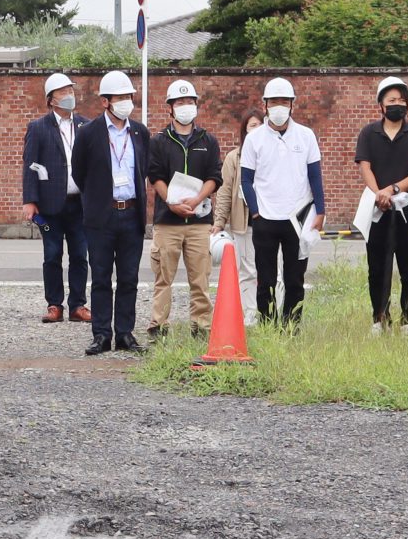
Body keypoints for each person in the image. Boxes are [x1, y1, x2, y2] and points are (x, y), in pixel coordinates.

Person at [70, 69, 149, 354]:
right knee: (101, 277)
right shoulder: (89, 133)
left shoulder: (140, 132)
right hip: (101, 216)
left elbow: (144, 169)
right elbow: (79, 172)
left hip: (131, 213)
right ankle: (102, 333)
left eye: (129, 96)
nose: (126, 102)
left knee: (129, 277)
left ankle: (125, 333)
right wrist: (97, 198)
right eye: (120, 97)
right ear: (105, 101)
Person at [353, 76, 408, 337]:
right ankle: (379, 318)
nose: (397, 104)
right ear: (381, 105)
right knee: (377, 269)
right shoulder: (369, 133)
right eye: (391, 100)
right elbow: (365, 167)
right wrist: (379, 193)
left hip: (407, 212)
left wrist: (393, 189)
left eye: (401, 100)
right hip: (377, 210)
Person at [239, 77, 323, 327]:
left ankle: (291, 326)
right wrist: (255, 213)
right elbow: (246, 180)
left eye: (284, 102)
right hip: (265, 218)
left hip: (298, 218)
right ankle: (267, 325)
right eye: (274, 102)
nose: (279, 107)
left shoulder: (306, 136)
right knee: (265, 279)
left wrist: (321, 210)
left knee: (295, 278)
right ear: (265, 105)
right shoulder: (254, 139)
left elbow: (315, 175)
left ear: (292, 105)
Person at [147, 79, 220, 337]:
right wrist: (172, 202)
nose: (185, 107)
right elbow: (155, 176)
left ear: (197, 106)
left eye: (189, 102)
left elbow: (215, 176)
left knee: (200, 278)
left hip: (200, 222)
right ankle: (159, 325)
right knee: (163, 276)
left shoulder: (208, 140)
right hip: (168, 221)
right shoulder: (158, 141)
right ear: (170, 108)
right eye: (180, 103)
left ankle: (201, 326)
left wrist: (198, 198)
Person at [20, 71, 88, 324]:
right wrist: (30, 200)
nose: (69, 96)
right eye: (63, 93)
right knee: (52, 254)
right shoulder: (38, 128)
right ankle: (54, 304)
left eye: (71, 91)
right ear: (51, 99)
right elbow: (30, 164)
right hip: (49, 206)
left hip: (80, 204)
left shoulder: (85, 125)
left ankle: (78, 305)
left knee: (81, 255)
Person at [209, 109, 264, 315]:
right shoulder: (235, 157)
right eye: (252, 125)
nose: (256, 129)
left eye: (260, 125)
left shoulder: (273, 153)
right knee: (247, 270)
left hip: (271, 220)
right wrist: (219, 221)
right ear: (244, 130)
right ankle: (249, 312)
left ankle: (273, 312)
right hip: (244, 222)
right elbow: (224, 191)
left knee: (274, 271)